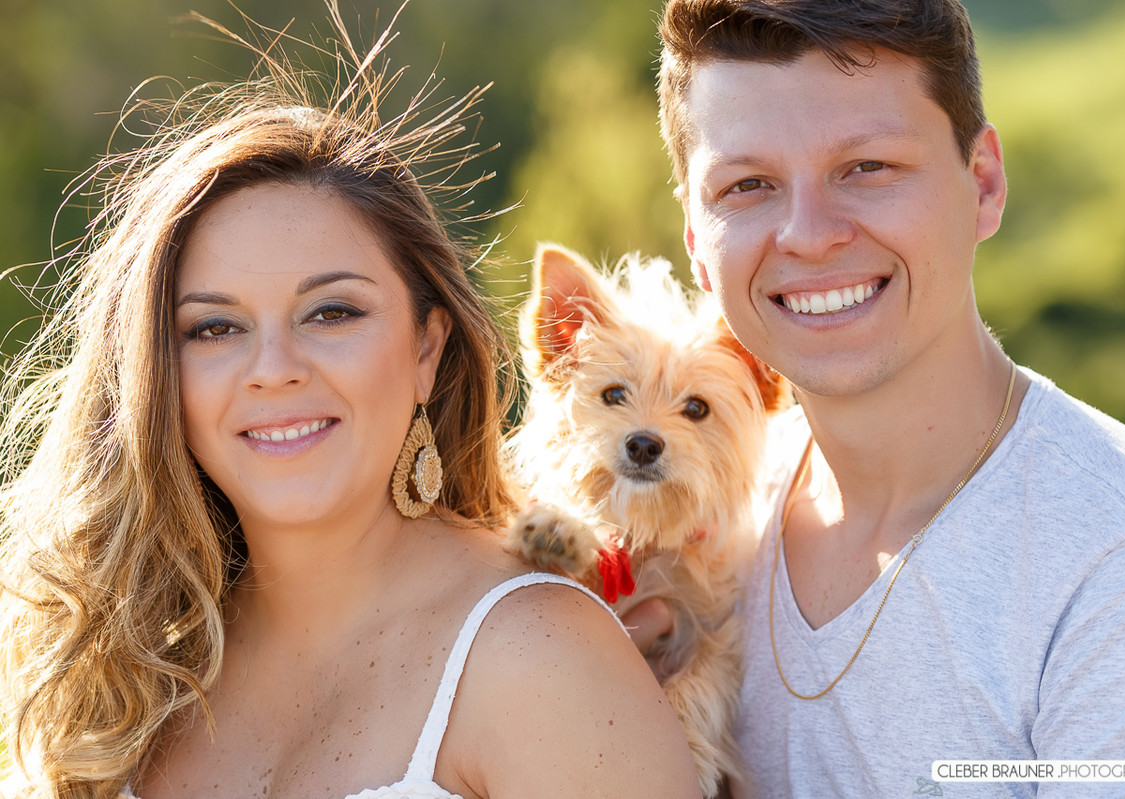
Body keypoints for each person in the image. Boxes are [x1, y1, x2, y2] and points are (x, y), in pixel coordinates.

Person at [0, 9, 702, 799]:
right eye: (215, 327)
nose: (273, 370)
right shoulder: (124, 674)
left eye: (331, 312)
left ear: (426, 351)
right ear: (157, 375)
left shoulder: (541, 654)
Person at [624, 0, 1125, 796]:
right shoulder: (704, 528)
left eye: (868, 168)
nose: (809, 233)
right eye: (748, 184)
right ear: (694, 235)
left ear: (984, 184)